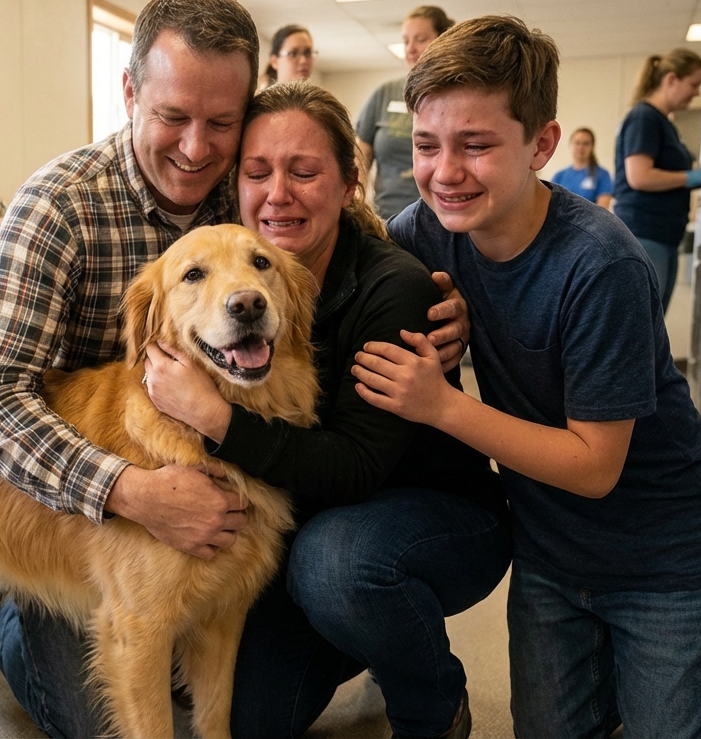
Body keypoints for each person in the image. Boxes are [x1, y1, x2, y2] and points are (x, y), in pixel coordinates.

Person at [0, 0, 471, 738]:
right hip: (66, 498)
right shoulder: (58, 208)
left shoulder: (248, 177)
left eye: (221, 123)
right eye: (172, 117)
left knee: (239, 704)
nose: (196, 148)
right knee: (98, 713)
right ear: (130, 93)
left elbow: (338, 212)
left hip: (222, 472)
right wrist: (127, 490)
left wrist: (439, 299)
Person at [354, 15, 701, 738]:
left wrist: (442, 405)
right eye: (427, 145)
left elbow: (593, 467)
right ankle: (653, 676)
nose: (444, 171)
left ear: (541, 146)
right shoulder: (422, 231)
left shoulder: (600, 263)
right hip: (553, 555)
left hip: (663, 551)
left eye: (477, 145)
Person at [144, 80, 509, 738]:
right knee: (244, 713)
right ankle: (0, 611)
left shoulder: (394, 288)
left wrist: (216, 419)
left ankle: (431, 705)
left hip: (418, 519)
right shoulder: (223, 269)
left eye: (304, 172)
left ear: (348, 184)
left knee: (336, 565)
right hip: (302, 521)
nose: (277, 193)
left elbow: (354, 468)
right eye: (258, 173)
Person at [613, 48, 701, 312]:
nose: (696, 93)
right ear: (671, 79)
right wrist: (689, 177)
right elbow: (639, 176)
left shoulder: (664, 123)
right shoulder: (644, 117)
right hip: (645, 232)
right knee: (643, 322)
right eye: (693, 84)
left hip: (664, 235)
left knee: (654, 321)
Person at [355, 5, 452, 220]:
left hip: (439, 218)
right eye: (406, 40)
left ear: (442, 39)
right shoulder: (385, 93)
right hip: (387, 218)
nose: (410, 49)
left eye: (420, 39)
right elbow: (360, 154)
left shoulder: (454, 97)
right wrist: (358, 207)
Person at [551, 126, 613, 208]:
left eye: (585, 143)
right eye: (577, 143)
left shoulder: (602, 175)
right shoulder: (559, 176)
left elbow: (603, 209)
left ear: (592, 147)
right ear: (571, 145)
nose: (581, 147)